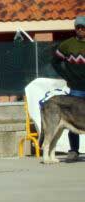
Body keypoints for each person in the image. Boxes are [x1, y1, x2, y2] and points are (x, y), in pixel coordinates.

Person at [51, 15, 85, 163]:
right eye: (78, 27)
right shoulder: (67, 45)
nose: (81, 30)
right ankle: (74, 151)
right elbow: (55, 62)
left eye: (83, 27)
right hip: (76, 88)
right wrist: (66, 75)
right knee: (73, 119)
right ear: (75, 28)